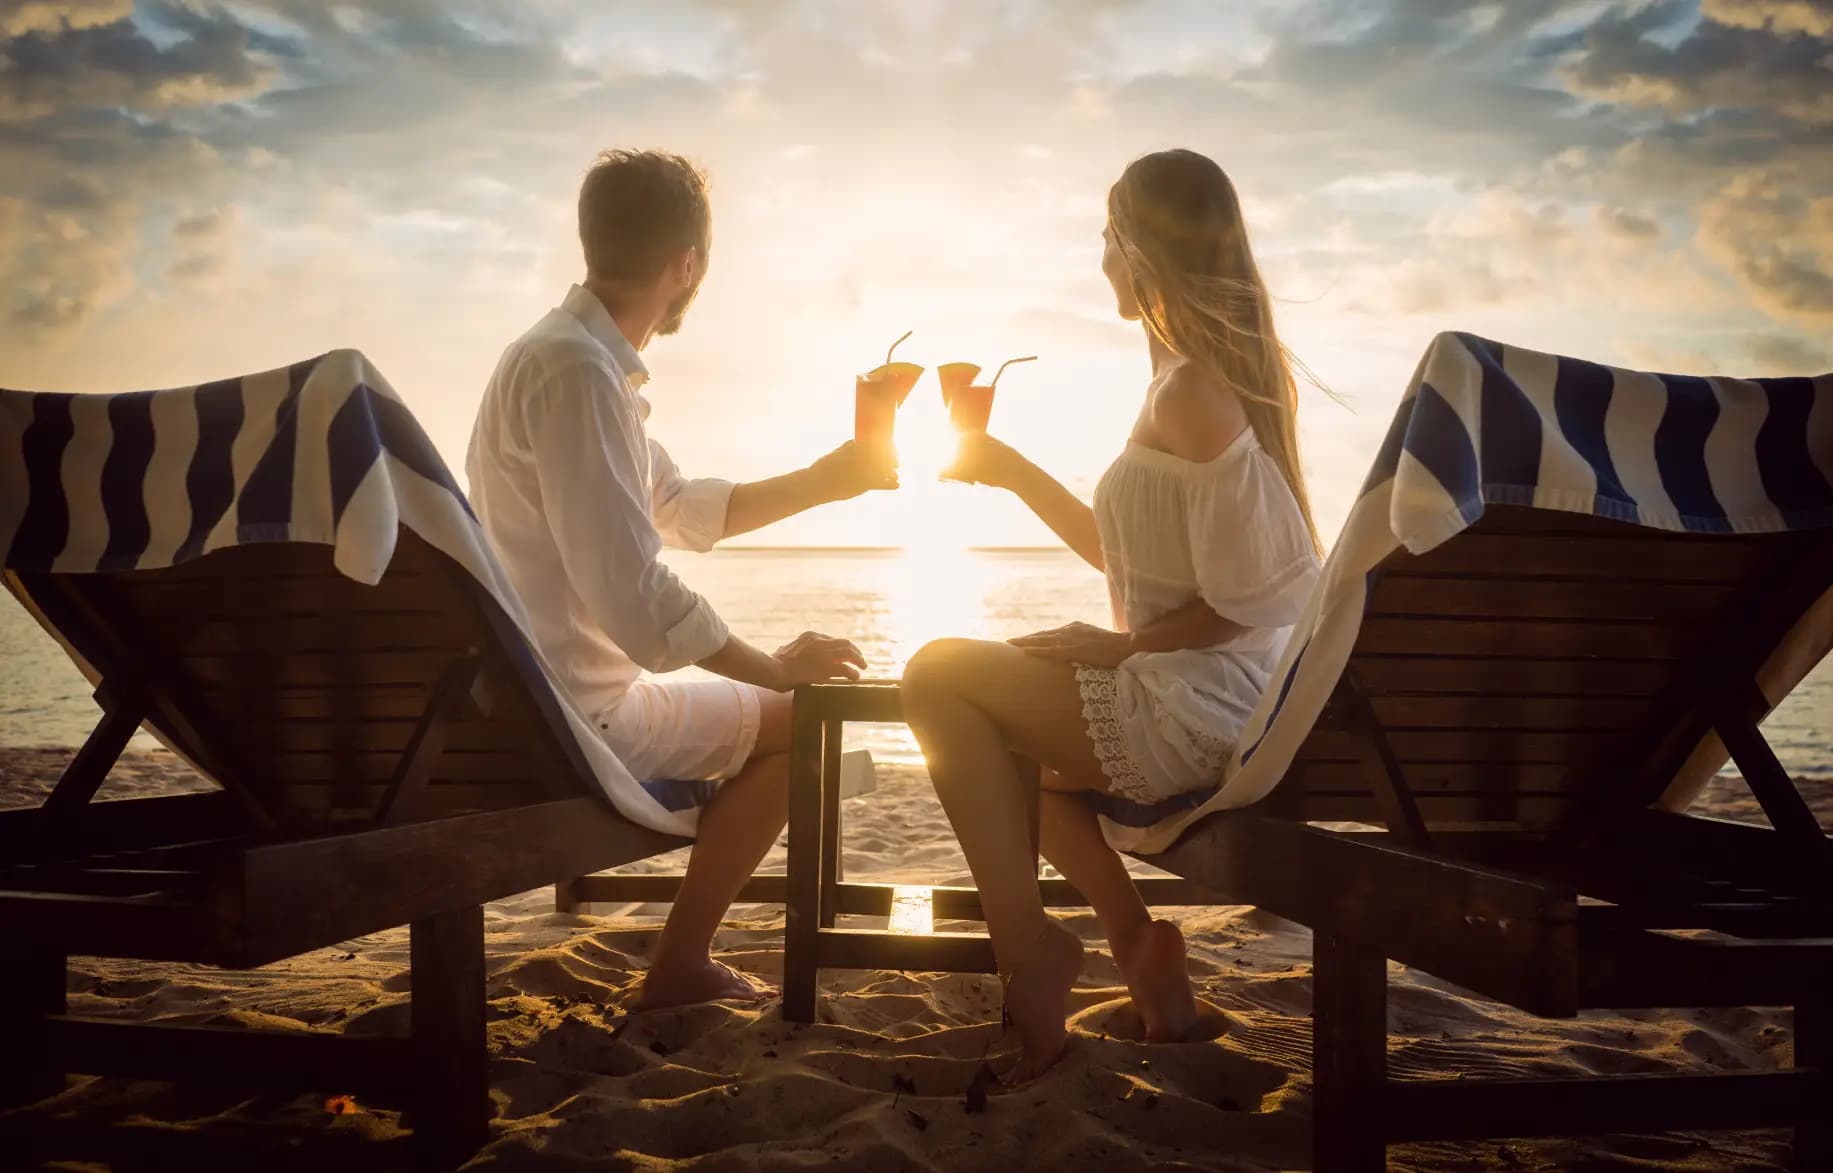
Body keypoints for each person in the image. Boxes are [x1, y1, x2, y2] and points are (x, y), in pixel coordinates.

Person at [902, 148, 1324, 1079]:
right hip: (1194, 685)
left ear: (1139, 246)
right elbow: (1124, 557)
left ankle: (1030, 949)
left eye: (1106, 237)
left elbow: (1264, 597)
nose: (1099, 261)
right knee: (1003, 724)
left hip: (1202, 702)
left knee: (935, 673)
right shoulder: (1190, 385)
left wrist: (1124, 645)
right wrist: (1008, 468)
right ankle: (1137, 949)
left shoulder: (1195, 393)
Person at [466, 149, 895, 1009]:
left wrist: (832, 477)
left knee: (788, 713)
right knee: (803, 724)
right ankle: (681, 962)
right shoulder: (577, 372)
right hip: (576, 719)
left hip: (536, 695)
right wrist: (772, 667)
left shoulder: (571, 359)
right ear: (687, 264)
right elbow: (635, 598)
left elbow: (679, 505)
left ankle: (685, 956)